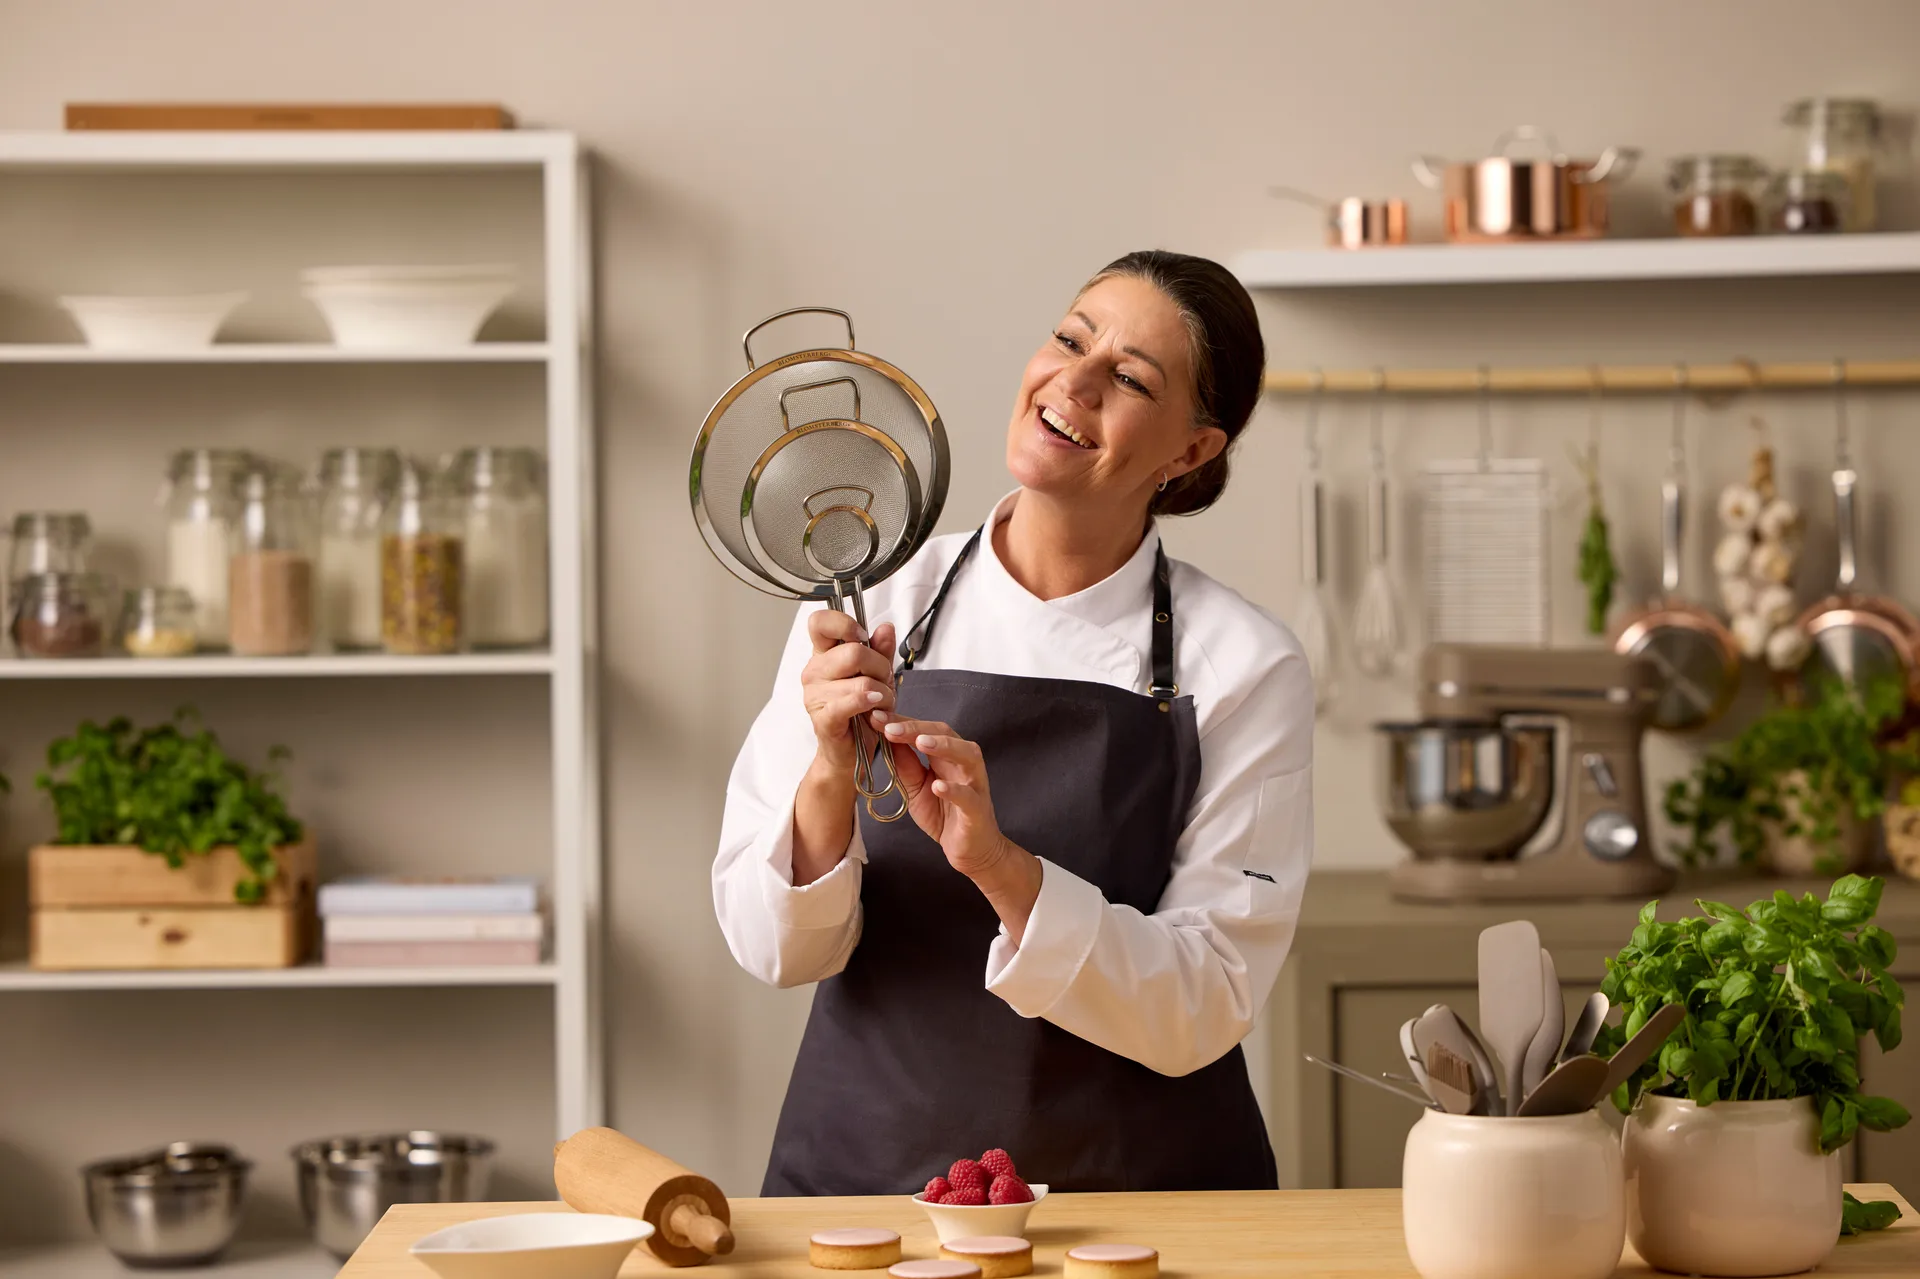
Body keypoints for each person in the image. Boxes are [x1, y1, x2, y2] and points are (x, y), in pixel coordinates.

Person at [712, 249, 1314, 1196]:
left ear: (1191, 450)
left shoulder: (1243, 664)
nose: (1071, 383)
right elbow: (774, 946)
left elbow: (1205, 1001)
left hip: (1139, 1207)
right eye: (1071, 340)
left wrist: (1000, 864)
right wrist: (832, 771)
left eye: (1128, 378)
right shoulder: (876, 603)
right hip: (873, 1194)